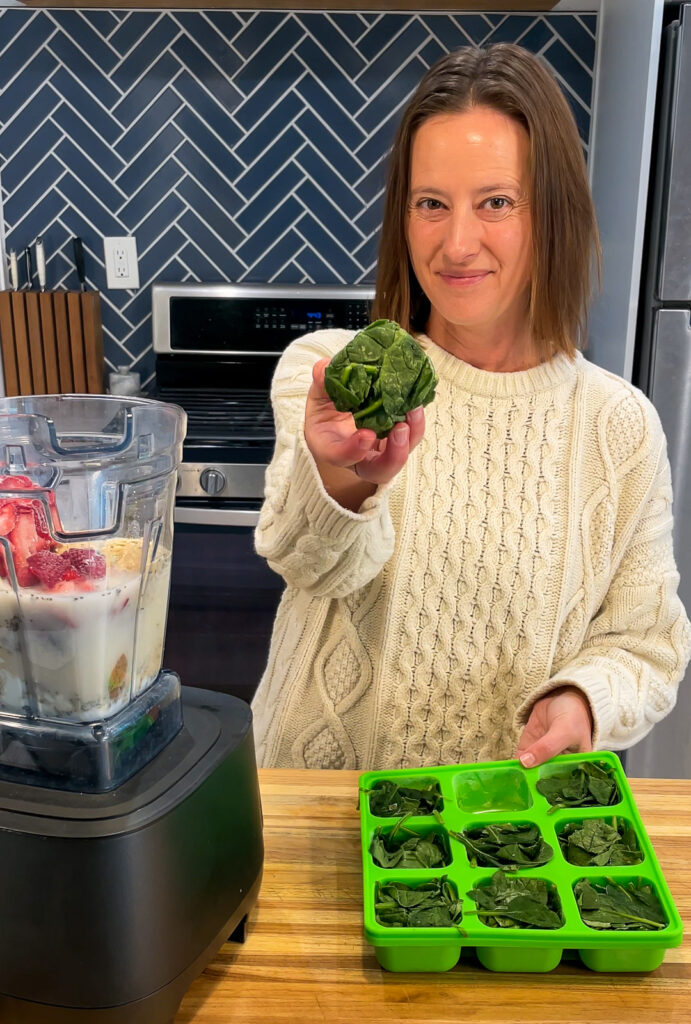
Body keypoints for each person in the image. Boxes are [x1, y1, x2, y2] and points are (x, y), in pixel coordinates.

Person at [250, 43, 691, 771]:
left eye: (495, 202)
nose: (456, 244)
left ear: (551, 212)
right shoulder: (333, 374)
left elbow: (646, 643)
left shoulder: (620, 427)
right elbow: (309, 568)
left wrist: (582, 699)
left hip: (500, 830)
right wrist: (346, 481)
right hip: (320, 806)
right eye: (431, 205)